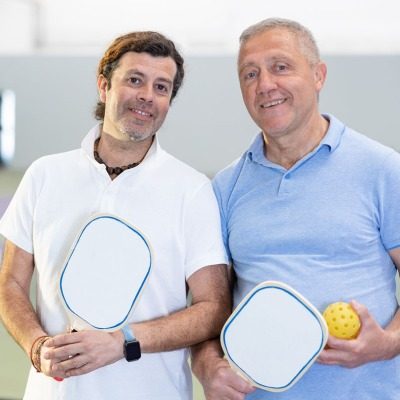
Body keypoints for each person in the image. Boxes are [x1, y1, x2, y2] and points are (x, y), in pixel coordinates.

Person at [0, 31, 230, 400]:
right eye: (135, 80)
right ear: (104, 86)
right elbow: (10, 282)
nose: (146, 96)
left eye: (161, 87)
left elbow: (213, 307)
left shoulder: (192, 190)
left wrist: (122, 341)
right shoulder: (44, 175)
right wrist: (36, 345)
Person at [191, 17, 400, 400]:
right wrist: (206, 366)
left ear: (319, 75)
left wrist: (389, 341)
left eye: (280, 67)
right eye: (249, 74)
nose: (265, 85)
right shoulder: (224, 188)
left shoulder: (383, 169)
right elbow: (208, 308)